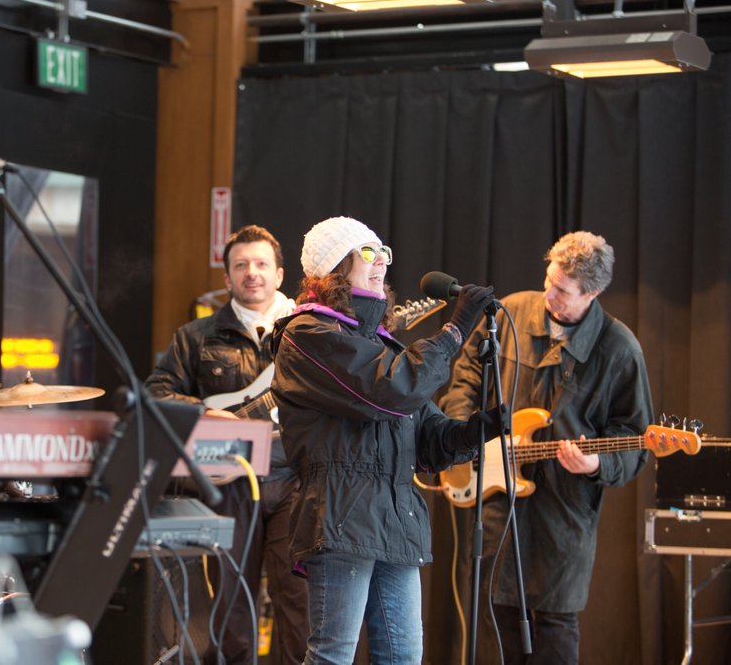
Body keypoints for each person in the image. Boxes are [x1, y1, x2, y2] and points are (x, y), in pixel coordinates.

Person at [270, 216, 501, 664]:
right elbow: (391, 390)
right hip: (342, 515)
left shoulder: (383, 346)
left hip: (395, 518)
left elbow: (428, 441)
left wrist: (477, 431)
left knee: (403, 657)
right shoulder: (307, 335)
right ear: (334, 267)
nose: (381, 263)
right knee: (333, 655)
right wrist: (454, 332)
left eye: (384, 253)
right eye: (368, 253)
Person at [439, 230, 654, 665]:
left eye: (562, 290)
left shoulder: (620, 349)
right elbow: (465, 378)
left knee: (554, 627)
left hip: (564, 509)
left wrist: (596, 462)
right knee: (495, 618)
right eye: (549, 280)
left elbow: (635, 440)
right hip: (497, 499)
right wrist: (465, 433)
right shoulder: (511, 313)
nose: (548, 294)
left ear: (592, 293)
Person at [145, 225, 309, 664]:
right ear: (227, 278)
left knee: (301, 605)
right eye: (241, 265)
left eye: (261, 264)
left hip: (295, 478)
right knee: (230, 605)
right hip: (230, 480)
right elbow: (155, 394)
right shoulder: (195, 337)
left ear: (279, 274)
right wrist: (204, 413)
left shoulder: (310, 333)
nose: (251, 272)